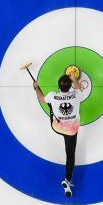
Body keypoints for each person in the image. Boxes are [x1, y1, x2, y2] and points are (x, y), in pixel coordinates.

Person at [33, 70, 85, 198]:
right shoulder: (76, 95)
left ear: (59, 86)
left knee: (51, 107)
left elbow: (41, 98)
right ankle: (67, 179)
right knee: (70, 155)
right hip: (71, 131)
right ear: (70, 86)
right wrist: (74, 78)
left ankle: (53, 111)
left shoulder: (52, 95)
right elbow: (79, 88)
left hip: (57, 127)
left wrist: (36, 88)